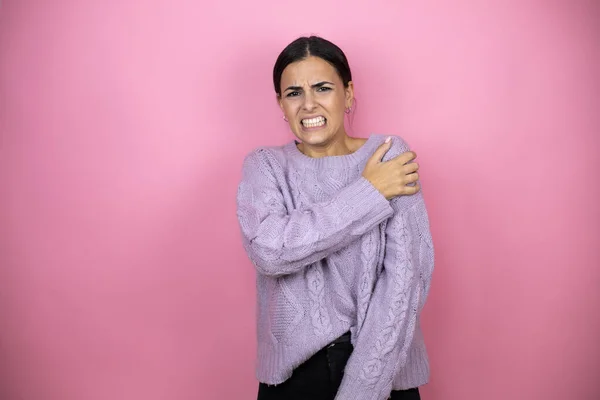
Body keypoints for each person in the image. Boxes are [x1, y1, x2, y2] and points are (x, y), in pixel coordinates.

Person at [236, 36, 435, 400]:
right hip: (293, 379)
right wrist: (369, 193)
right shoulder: (264, 166)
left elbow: (405, 283)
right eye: (293, 93)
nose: (308, 104)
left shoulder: (389, 155)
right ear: (280, 104)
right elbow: (269, 251)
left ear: (347, 93)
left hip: (383, 372)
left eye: (323, 88)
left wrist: (363, 389)